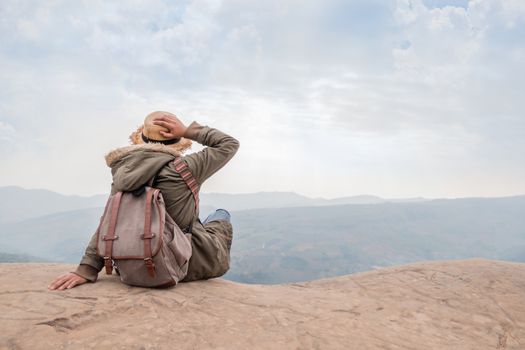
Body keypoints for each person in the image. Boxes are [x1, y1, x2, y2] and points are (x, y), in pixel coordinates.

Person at [49, 111, 240, 290]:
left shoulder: (123, 172)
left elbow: (109, 221)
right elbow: (229, 144)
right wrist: (186, 130)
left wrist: (87, 268)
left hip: (134, 264)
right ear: (177, 142)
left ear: (141, 139)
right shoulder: (186, 167)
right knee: (220, 215)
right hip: (183, 263)